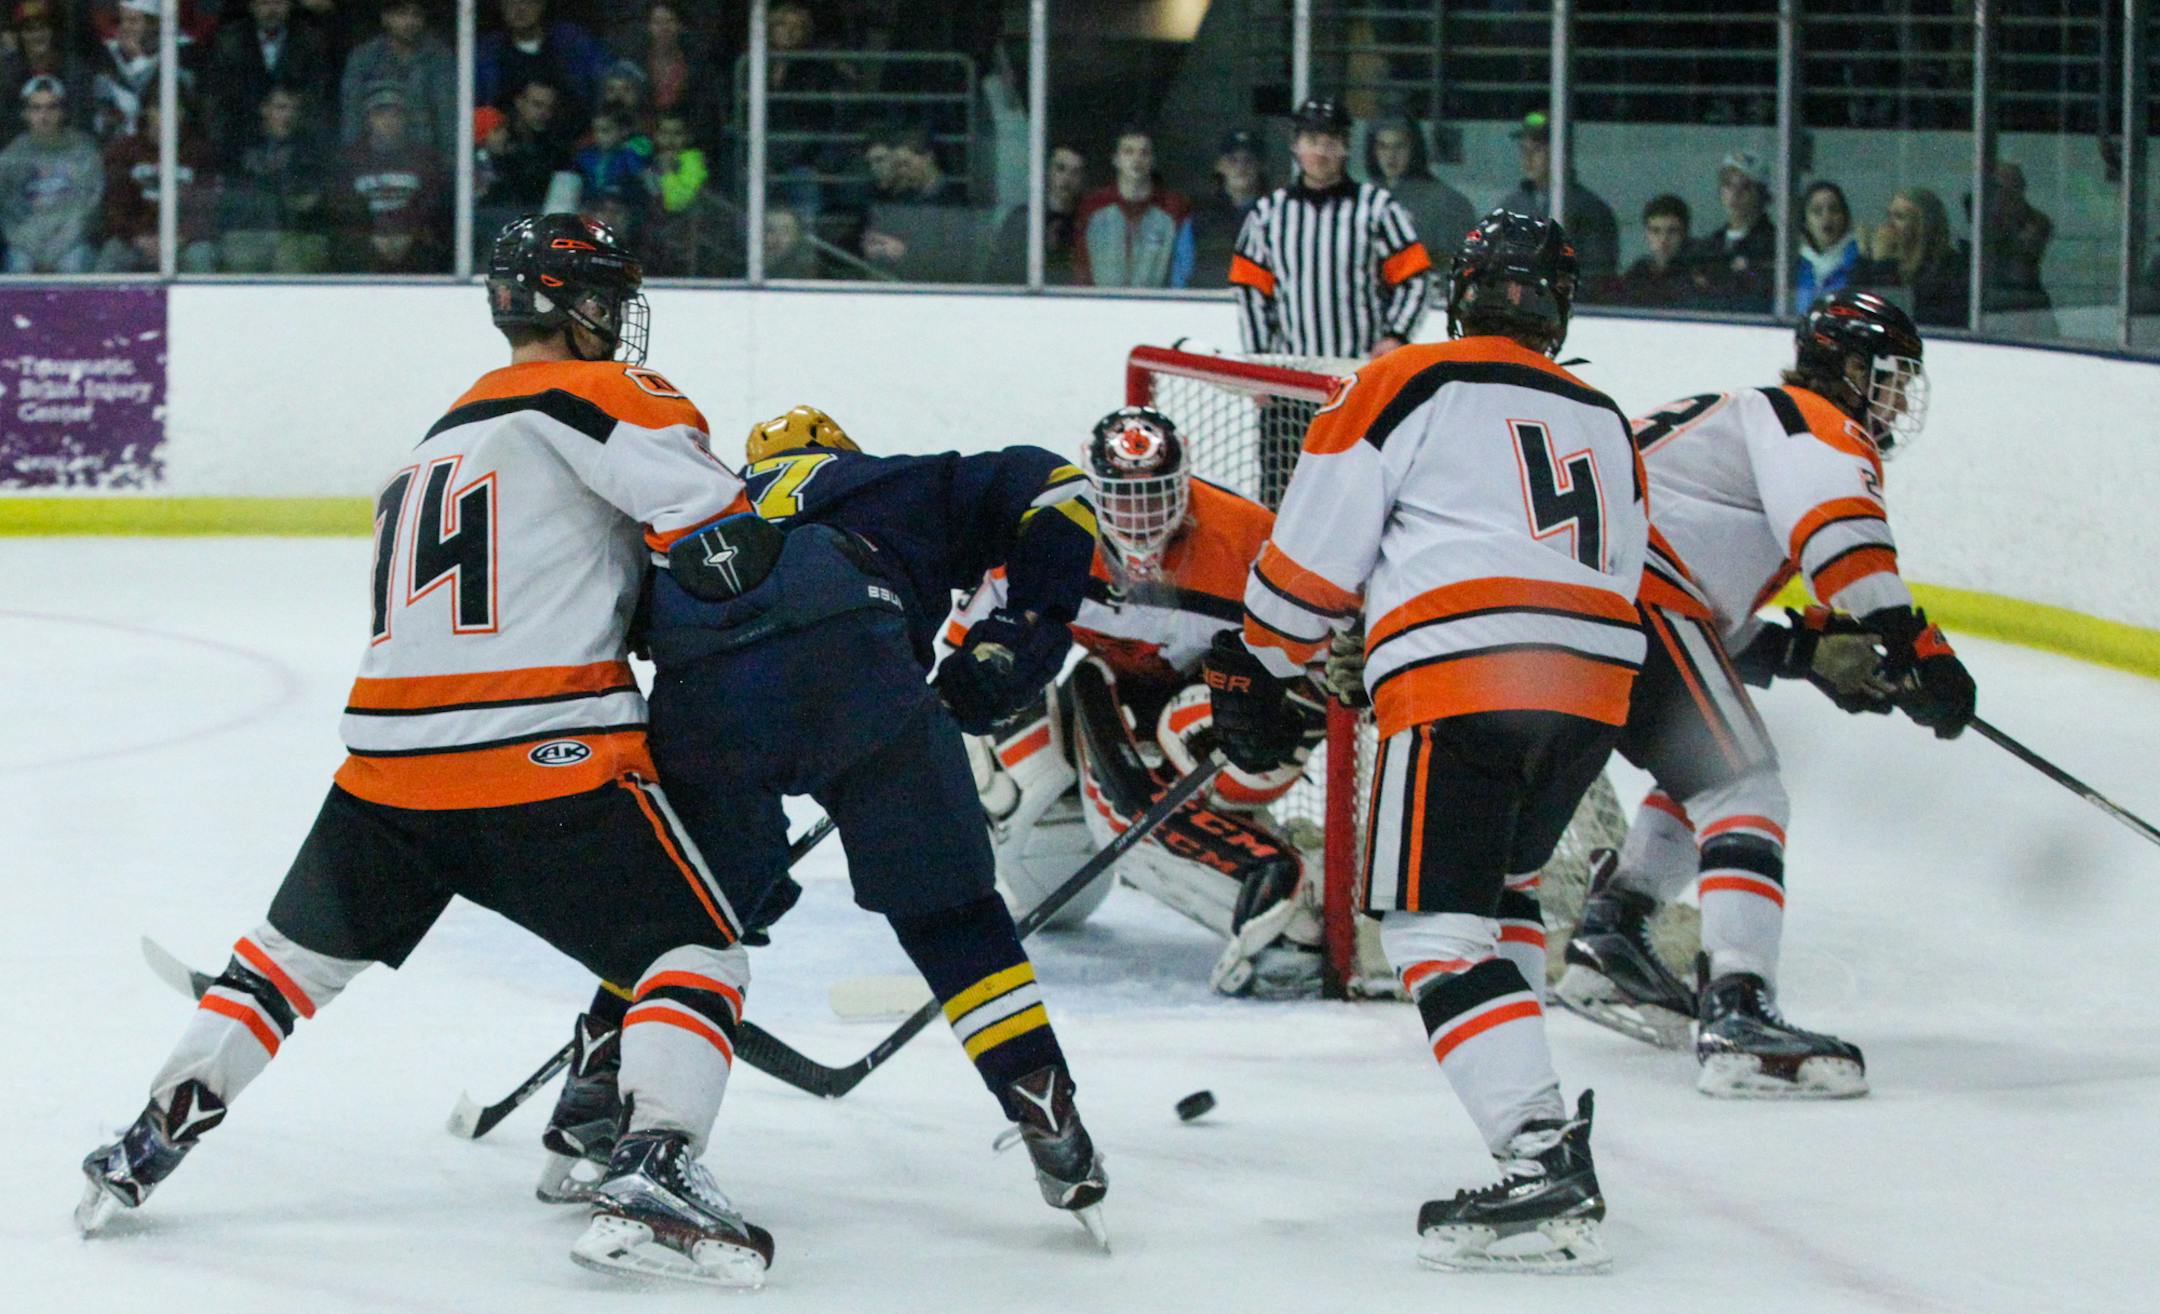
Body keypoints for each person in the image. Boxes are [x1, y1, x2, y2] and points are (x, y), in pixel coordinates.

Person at [78, 213, 776, 1290]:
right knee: (697, 955)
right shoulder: (606, 396)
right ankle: (656, 1166)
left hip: (384, 770)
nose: (613, 314)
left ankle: (145, 1141)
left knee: (284, 963)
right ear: (564, 302)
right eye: (600, 292)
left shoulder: (434, 440)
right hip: (543, 757)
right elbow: (725, 542)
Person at [547, 403, 1113, 1247]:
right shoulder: (892, 479)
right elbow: (1061, 488)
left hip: (703, 689)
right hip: (860, 669)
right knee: (950, 913)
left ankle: (593, 1089)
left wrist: (738, 849)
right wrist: (1019, 635)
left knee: (684, 912)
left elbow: (603, 618)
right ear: (841, 453)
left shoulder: (697, 504)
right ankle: (1045, 1112)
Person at [1205, 211, 1646, 1273]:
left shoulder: (1408, 375)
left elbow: (1313, 553)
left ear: (1464, 291)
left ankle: (1541, 1156)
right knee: (1501, 900)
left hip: (1467, 682)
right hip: (1591, 690)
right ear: (1558, 306)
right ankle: (1532, 1101)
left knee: (1433, 934)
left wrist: (1262, 660)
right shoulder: (1604, 411)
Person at [1559, 290, 1976, 1097]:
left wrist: (1804, 652)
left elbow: (1710, 594)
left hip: (1575, 604)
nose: (1894, 399)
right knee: (1744, 786)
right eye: (1888, 378)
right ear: (1848, 370)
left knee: (1708, 769)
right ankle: (1738, 1010)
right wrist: (1922, 650)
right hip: (1635, 598)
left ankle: (1613, 934)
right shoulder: (1812, 418)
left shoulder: (1735, 421)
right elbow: (1841, 537)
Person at [951, 407, 1329, 998]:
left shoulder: (1248, 539)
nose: (1139, 516)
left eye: (1155, 496)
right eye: (1122, 499)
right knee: (1018, 782)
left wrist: (1297, 700)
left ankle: (1273, 884)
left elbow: (1331, 646)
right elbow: (961, 658)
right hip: (1108, 688)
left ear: (1186, 486)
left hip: (1216, 706)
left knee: (1192, 729)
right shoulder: (1046, 537)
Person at [1231, 97, 1431, 361]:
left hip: (1360, 373)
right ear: (1295, 145)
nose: (1320, 152)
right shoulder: (1267, 214)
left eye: (1330, 143)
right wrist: (1258, 362)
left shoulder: (1378, 208)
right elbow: (1251, 293)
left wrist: (1397, 335)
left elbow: (1416, 278)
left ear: (1346, 146)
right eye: (1312, 142)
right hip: (1289, 375)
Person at [330, 82, 448, 273]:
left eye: (395, 114)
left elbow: (434, 204)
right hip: (364, 248)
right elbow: (342, 208)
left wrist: (410, 233)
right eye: (380, 114)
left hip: (414, 246)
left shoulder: (424, 159)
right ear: (368, 118)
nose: (388, 120)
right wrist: (369, 236)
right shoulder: (350, 160)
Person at [217, 83, 331, 273]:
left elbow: (309, 201)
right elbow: (232, 198)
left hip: (299, 235)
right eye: (281, 108)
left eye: (294, 109)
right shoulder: (241, 145)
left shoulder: (310, 149)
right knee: (241, 260)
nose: (289, 115)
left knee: (288, 258)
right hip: (248, 232)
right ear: (264, 109)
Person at [94, 97, 216, 272]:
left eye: (176, 108)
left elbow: (206, 207)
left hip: (183, 241)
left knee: (201, 256)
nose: (167, 114)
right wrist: (139, 238)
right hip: (135, 239)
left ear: (183, 114)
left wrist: (180, 238)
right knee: (110, 259)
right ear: (147, 111)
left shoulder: (200, 152)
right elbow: (114, 206)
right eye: (158, 107)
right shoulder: (123, 150)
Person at [1494, 111, 1617, 281]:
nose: (1527, 158)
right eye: (1523, 149)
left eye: (1537, 150)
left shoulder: (1589, 208)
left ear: (1559, 154)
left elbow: (1598, 274)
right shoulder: (1510, 205)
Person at [208, 0, 333, 164]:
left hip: (299, 142)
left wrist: (293, 139)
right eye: (264, 3)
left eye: (279, 3)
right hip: (241, 140)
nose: (272, 10)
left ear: (290, 6)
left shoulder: (310, 40)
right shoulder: (229, 42)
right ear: (251, 6)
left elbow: (316, 96)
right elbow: (217, 99)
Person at [0, 76, 101, 273]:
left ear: (63, 112)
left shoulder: (84, 152)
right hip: (26, 246)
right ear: (25, 113)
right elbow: (7, 212)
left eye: (51, 107)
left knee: (75, 264)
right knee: (18, 266)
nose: (44, 115)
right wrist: (33, 247)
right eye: (36, 108)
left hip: (71, 244)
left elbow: (89, 208)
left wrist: (57, 248)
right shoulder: (11, 156)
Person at [1072, 126, 1193, 288]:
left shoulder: (1174, 207)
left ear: (1153, 160)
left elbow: (1183, 267)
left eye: (1144, 153)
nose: (1137, 160)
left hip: (1156, 308)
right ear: (1116, 159)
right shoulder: (1093, 206)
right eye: (1128, 152)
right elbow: (1081, 264)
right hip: (1101, 306)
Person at [339, 0, 456, 156]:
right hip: (375, 157)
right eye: (401, 14)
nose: (410, 22)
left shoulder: (439, 57)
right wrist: (353, 158)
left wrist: (448, 161)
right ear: (385, 17)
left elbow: (447, 114)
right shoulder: (364, 57)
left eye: (416, 15)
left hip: (425, 158)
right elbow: (352, 112)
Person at [477, 0, 607, 133]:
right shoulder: (488, 52)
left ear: (542, 5)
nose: (520, 8)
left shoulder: (571, 43)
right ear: (502, 7)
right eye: (511, 3)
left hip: (570, 142)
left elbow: (603, 86)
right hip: (508, 144)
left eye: (528, 2)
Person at [1365, 116, 1475, 264]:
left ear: (1414, 149)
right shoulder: (1366, 198)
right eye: (1383, 146)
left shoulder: (1446, 202)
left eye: (1400, 146)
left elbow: (1456, 258)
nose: (1390, 155)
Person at [1857, 186, 1968, 328]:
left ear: (1922, 225)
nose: (1888, 225)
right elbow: (1853, 304)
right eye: (1888, 216)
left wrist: (1884, 264)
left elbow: (1893, 315)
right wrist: (1864, 257)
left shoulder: (1949, 267)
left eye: (1899, 217)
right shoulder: (1887, 261)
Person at [1692, 150, 1775, 312]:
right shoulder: (1708, 246)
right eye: (1728, 185)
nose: (1734, 195)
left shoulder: (1774, 245)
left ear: (1761, 194)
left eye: (1744, 187)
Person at [1189, 129, 1267, 290]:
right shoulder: (1199, 217)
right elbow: (1181, 275)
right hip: (1207, 306)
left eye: (1248, 160)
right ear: (1220, 166)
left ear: (1259, 167)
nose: (1241, 167)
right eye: (1232, 160)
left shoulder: (1273, 216)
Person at [1611, 193, 1709, 309]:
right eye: (1655, 231)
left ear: (1684, 234)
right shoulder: (1637, 274)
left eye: (1672, 231)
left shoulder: (1699, 274)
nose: (1663, 240)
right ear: (1646, 234)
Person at [1981, 161, 2053, 317]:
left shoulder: (2036, 221)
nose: (2002, 193)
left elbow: (2027, 254)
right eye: (1998, 187)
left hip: (2026, 295)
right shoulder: (1984, 220)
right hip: (1990, 293)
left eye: (2007, 187)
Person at [1793, 180, 1861, 313]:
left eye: (1834, 209)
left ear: (1844, 217)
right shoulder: (1795, 266)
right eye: (1817, 211)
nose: (1826, 217)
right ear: (1805, 222)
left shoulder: (1859, 260)